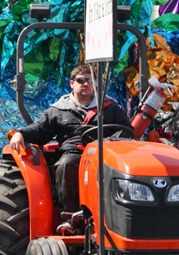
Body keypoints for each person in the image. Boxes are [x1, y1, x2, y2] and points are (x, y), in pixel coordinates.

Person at [9, 64, 131, 228]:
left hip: (105, 154)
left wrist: (113, 142)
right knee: (67, 164)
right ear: (72, 83)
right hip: (74, 153)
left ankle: (120, 217)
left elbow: (127, 132)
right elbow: (40, 130)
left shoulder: (111, 108)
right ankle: (70, 217)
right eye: (81, 80)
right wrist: (20, 133)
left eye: (90, 80)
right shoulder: (59, 110)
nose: (86, 84)